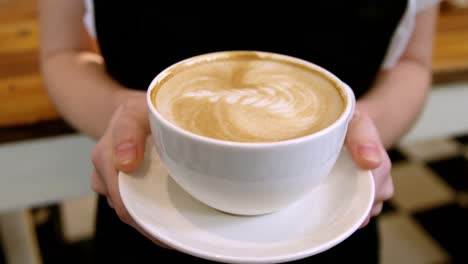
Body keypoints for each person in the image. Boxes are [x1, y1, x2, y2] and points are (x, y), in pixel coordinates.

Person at [38, 1, 440, 263]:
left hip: (330, 226)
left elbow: (413, 62)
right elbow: (63, 51)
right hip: (145, 209)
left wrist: (362, 134)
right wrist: (121, 113)